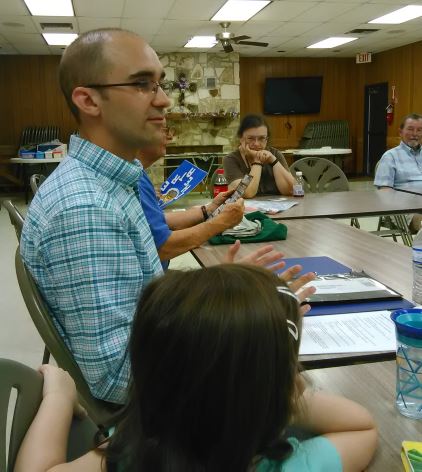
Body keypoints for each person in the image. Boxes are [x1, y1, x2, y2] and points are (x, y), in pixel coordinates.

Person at [20, 28, 314, 405]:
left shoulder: (110, 182)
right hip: (151, 419)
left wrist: (224, 295)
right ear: (88, 100)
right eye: (143, 84)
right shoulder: (87, 208)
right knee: (316, 397)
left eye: (161, 84)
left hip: (160, 354)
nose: (163, 101)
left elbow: (143, 297)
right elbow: (119, 378)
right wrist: (245, 329)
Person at [15, 265, 377, 472]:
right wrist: (284, 390)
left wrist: (58, 398)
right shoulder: (285, 467)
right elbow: (361, 426)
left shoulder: (133, 453)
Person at [138, 126, 244, 268]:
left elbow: (158, 220)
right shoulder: (134, 179)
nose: (170, 137)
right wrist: (222, 222)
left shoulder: (139, 174)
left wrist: (209, 209)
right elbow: (162, 247)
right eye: (164, 129)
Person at [224, 114, 295, 198]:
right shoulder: (231, 159)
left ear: (266, 139)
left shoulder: (275, 154)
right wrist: (257, 161)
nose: (256, 144)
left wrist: (274, 161)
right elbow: (246, 192)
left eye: (261, 138)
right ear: (241, 138)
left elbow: (291, 190)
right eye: (250, 138)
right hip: (245, 209)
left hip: (276, 208)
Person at [374, 113, 422, 232]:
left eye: (419, 130)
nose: (415, 134)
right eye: (410, 129)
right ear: (400, 132)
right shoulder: (390, 157)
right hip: (406, 209)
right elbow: (384, 192)